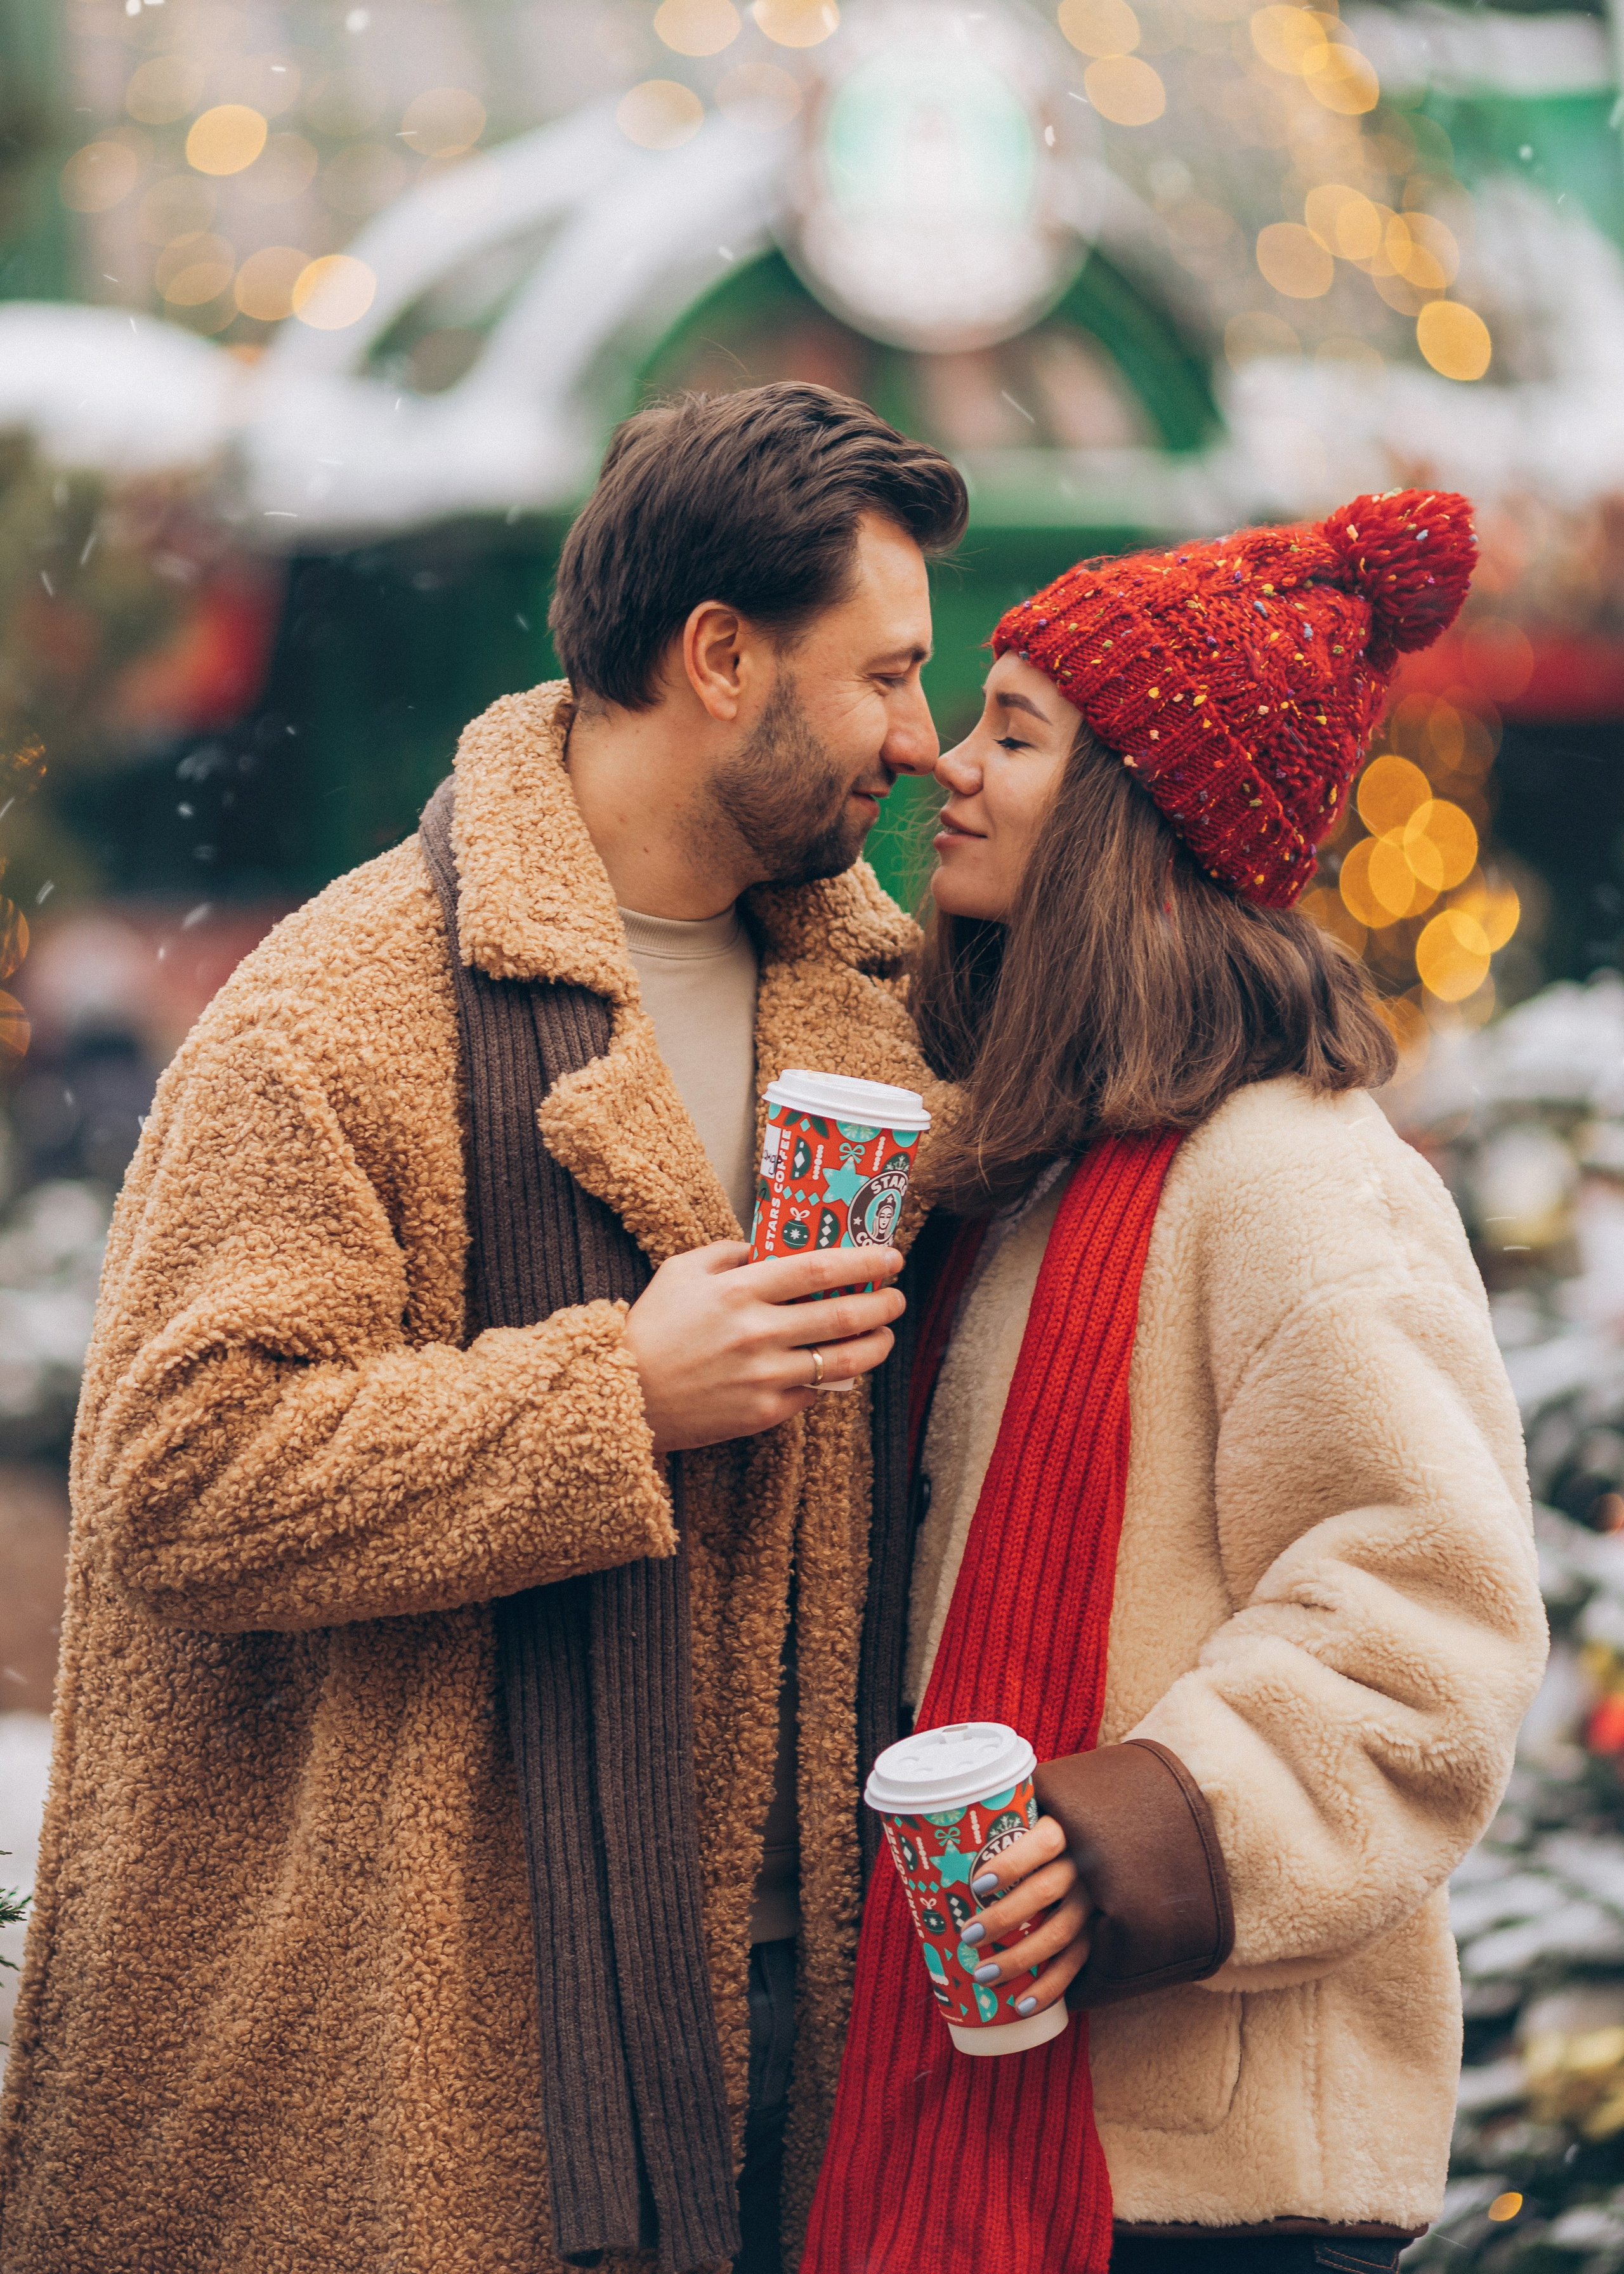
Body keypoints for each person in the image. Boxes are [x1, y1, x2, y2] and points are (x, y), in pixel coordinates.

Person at [0, 383, 967, 2274]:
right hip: (449, 2042)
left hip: (823, 2012)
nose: (922, 742)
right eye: (888, 676)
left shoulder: (891, 1006)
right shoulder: (333, 1013)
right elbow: (175, 1481)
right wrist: (621, 1394)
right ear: (716, 658)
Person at [805, 490, 1550, 2273]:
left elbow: (1425, 1628)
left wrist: (1134, 1832)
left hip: (1209, 2178)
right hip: (1002, 2122)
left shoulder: (1295, 1177)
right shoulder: (1020, 1174)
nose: (948, 771)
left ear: (1139, 810)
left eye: (1015, 735)